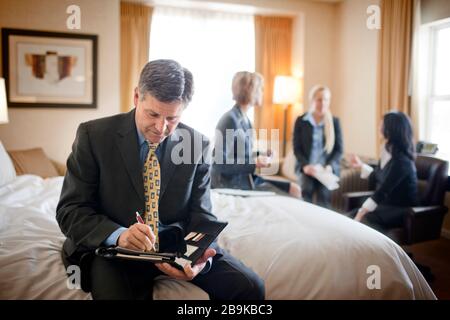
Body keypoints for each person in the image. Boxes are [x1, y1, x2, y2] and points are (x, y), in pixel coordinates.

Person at [56, 59, 265, 300]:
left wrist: (195, 259)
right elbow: (70, 210)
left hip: (176, 247)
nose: (160, 127)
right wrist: (119, 235)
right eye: (152, 114)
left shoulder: (196, 144)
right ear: (136, 97)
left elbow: (202, 214)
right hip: (116, 251)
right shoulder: (94, 136)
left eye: (172, 119)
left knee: (251, 287)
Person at [211, 71, 301, 197]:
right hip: (230, 184)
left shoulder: (245, 120)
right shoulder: (230, 120)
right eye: (260, 89)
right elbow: (219, 164)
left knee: (294, 189)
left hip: (245, 179)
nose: (262, 93)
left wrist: (262, 154)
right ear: (250, 91)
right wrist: (254, 163)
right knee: (292, 192)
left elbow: (241, 154)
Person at [348, 111, 418, 231]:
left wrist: (361, 212)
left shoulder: (402, 162)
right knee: (349, 217)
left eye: (382, 124)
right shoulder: (387, 150)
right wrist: (361, 166)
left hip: (401, 209)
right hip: (386, 204)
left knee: (363, 220)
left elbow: (383, 190)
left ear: (391, 130)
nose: (379, 127)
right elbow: (379, 175)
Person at [293, 85, 343, 208]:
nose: (323, 103)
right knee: (306, 189)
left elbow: (339, 150)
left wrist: (330, 166)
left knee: (323, 195)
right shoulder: (301, 121)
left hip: (326, 170)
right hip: (307, 169)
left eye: (326, 99)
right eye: (319, 99)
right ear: (312, 100)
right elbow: (297, 148)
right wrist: (305, 166)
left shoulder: (335, 122)